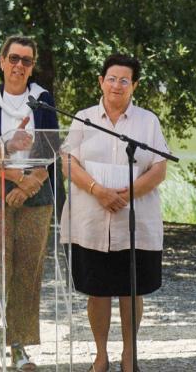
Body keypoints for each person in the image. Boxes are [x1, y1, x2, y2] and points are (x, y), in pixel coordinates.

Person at [60, 54, 169, 372]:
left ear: (134, 85)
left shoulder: (147, 122)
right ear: (101, 81)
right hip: (90, 220)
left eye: (124, 80)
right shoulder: (84, 118)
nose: (117, 85)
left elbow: (159, 167)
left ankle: (129, 355)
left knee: (130, 290)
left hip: (133, 219)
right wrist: (97, 190)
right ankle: (100, 354)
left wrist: (129, 194)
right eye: (111, 78)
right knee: (97, 290)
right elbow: (68, 161)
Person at [0, 36, 58, 371]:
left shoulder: (42, 100)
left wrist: (30, 183)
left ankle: (19, 346)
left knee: (27, 271)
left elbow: (50, 147)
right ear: (2, 60)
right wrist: (16, 178)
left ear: (32, 66)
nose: (19, 66)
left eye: (27, 60)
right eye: (14, 58)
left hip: (37, 196)